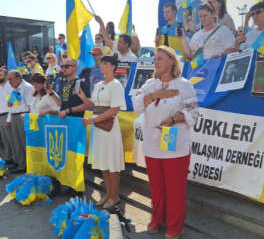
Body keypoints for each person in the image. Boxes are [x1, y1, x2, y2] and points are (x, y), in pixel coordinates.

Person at [132, 46, 199, 239]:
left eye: (160, 58)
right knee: (156, 186)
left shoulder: (184, 84)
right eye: (155, 59)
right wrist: (154, 96)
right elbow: (136, 106)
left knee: (175, 188)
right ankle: (157, 218)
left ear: (171, 61)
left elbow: (193, 112)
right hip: (152, 145)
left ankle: (175, 226)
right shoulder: (150, 83)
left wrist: (172, 120)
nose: (156, 62)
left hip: (175, 146)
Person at [78, 54, 126, 210]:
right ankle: (108, 194)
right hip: (98, 128)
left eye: (105, 63)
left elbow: (114, 109)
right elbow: (94, 106)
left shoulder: (116, 85)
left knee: (112, 163)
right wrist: (83, 98)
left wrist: (92, 121)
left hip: (109, 128)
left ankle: (115, 196)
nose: (102, 66)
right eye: (101, 63)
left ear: (113, 66)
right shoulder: (98, 85)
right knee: (103, 163)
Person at [6, 70, 34, 173]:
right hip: (14, 116)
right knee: (16, 142)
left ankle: (29, 166)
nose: (9, 82)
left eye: (10, 79)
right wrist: (8, 119)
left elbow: (31, 106)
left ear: (18, 78)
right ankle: (20, 164)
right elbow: (10, 105)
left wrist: (30, 121)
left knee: (24, 142)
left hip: (23, 116)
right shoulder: (14, 88)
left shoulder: (27, 87)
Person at [0, 69, 15, 167]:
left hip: (7, 115)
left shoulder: (9, 87)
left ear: (6, 76)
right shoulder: (1, 88)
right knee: (5, 139)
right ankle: (8, 158)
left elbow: (12, 104)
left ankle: (14, 159)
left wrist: (8, 119)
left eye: (0, 75)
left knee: (11, 139)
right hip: (0, 115)